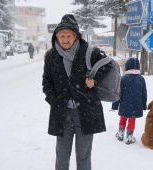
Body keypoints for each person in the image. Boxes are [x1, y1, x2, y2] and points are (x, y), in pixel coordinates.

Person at [42, 14, 112, 170]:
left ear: (75, 37)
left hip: (86, 111)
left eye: (69, 36)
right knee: (62, 155)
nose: (65, 39)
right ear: (57, 37)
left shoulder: (88, 51)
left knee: (84, 155)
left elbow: (107, 64)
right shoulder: (51, 56)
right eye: (62, 36)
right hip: (62, 113)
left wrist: (95, 79)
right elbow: (47, 83)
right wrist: (55, 101)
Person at [111, 57, 147, 145]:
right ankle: (129, 137)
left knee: (123, 118)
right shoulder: (141, 79)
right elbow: (144, 94)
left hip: (124, 104)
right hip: (135, 105)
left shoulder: (123, 78)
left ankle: (120, 134)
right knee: (132, 120)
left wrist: (115, 105)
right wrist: (143, 105)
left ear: (127, 67)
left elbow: (118, 93)